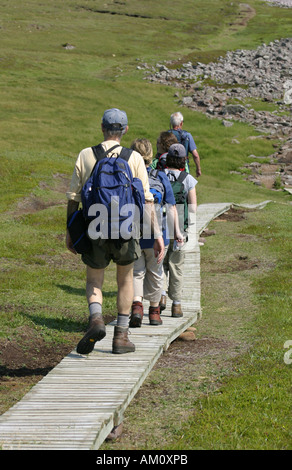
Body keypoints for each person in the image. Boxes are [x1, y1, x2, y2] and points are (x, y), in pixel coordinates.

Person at [66, 108, 165, 355]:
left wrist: (70, 231)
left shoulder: (86, 155)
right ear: (125, 130)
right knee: (124, 280)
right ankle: (121, 337)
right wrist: (158, 235)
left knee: (94, 280)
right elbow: (147, 200)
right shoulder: (133, 158)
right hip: (125, 229)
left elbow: (73, 199)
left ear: (102, 127)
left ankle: (97, 319)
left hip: (94, 227)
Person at [129, 138, 183, 328]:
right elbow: (172, 207)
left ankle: (136, 306)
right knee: (156, 272)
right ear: (151, 157)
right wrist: (177, 232)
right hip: (157, 233)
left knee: (137, 272)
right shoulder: (159, 177)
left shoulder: (127, 177)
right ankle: (154, 313)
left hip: (134, 233)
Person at [163, 143, 197, 317]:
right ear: (184, 160)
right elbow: (192, 208)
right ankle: (176, 305)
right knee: (176, 266)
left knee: (160, 264)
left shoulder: (159, 175)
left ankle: (160, 297)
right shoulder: (187, 179)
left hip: (160, 226)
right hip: (179, 230)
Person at [169, 111, 202, 177]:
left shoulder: (166, 135)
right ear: (181, 123)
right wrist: (198, 169)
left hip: (168, 167)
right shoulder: (187, 135)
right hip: (183, 167)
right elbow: (195, 155)